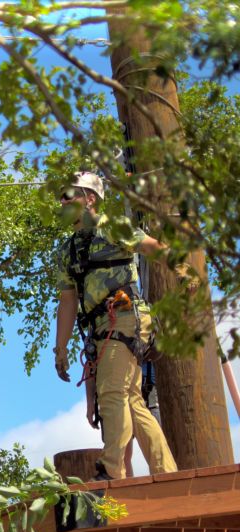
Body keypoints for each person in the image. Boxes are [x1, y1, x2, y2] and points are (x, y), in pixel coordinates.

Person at [53, 172, 178, 480]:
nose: (63, 201)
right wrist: (61, 347)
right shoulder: (68, 251)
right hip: (100, 327)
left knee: (112, 392)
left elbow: (150, 247)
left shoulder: (112, 228)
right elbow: (67, 301)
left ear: (90, 198)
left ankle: (111, 469)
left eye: (69, 195)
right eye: (61, 197)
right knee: (132, 400)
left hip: (124, 317)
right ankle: (166, 474)